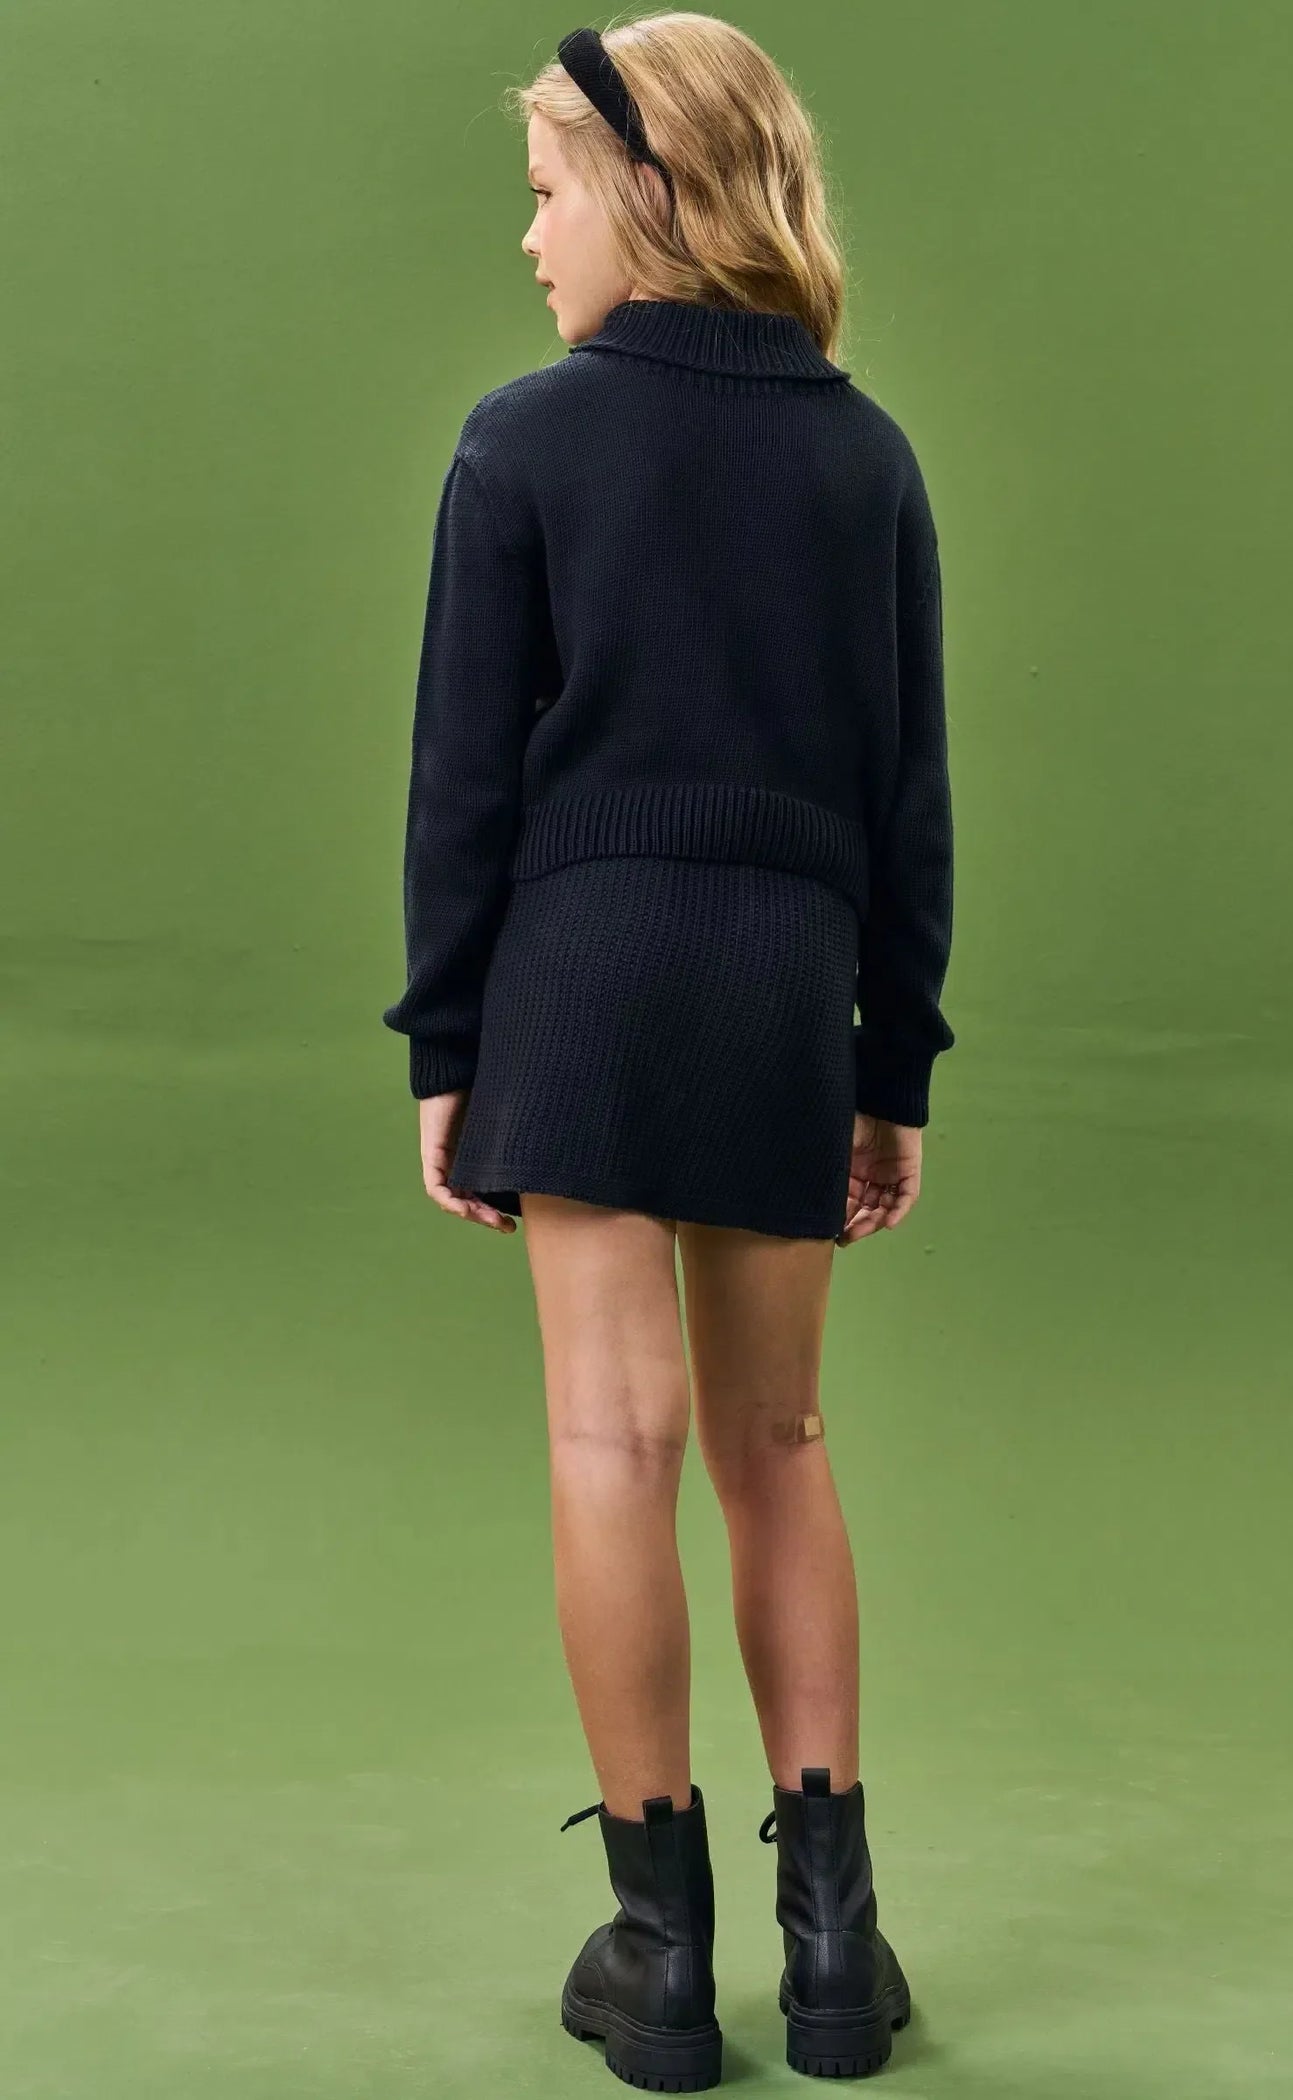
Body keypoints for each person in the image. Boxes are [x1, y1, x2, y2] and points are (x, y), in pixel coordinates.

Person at [381, 16, 953, 2088]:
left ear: (648, 189)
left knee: (609, 1447)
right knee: (776, 1442)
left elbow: (465, 781)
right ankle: (836, 1950)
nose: (532, 238)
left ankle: (659, 1951)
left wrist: (447, 1038)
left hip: (585, 975)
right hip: (786, 984)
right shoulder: (866, 458)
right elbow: (907, 801)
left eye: (548, 193)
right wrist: (893, 1068)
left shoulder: (522, 442)